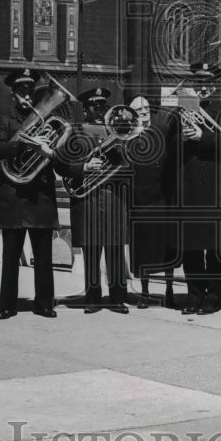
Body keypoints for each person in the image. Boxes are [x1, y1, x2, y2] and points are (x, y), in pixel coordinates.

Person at [0, 68, 75, 320]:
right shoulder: (5, 120)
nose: (26, 96)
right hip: (14, 195)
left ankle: (44, 303)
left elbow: (61, 160)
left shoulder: (49, 120)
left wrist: (50, 152)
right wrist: (25, 144)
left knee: (43, 255)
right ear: (14, 94)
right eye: (21, 91)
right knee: (10, 256)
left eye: (29, 91)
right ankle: (7, 304)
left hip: (40, 195)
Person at [163, 62, 221, 315]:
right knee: (191, 246)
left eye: (208, 83)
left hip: (215, 189)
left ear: (215, 85)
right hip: (188, 189)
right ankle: (194, 295)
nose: (203, 87)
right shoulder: (181, 110)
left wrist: (202, 137)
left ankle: (213, 296)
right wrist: (181, 137)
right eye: (198, 83)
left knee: (214, 248)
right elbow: (168, 150)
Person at [67, 87, 131, 314]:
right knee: (92, 250)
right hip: (89, 199)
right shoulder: (75, 132)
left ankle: (117, 298)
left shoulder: (118, 130)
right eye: (96, 106)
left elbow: (128, 163)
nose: (101, 110)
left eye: (104, 105)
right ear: (85, 109)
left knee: (114, 249)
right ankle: (92, 297)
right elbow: (61, 164)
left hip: (113, 198)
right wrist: (83, 167)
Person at [124, 95, 177, 309]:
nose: (145, 111)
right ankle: (144, 293)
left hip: (161, 198)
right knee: (143, 250)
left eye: (146, 107)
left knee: (166, 249)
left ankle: (169, 290)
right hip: (140, 200)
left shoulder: (160, 130)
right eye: (139, 108)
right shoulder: (128, 136)